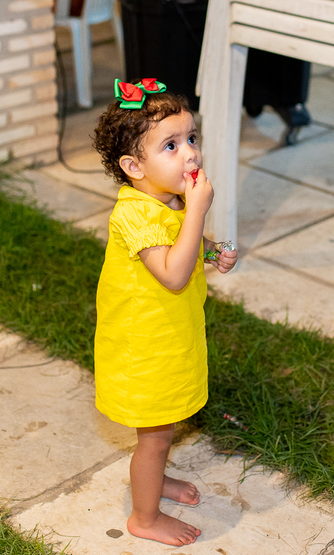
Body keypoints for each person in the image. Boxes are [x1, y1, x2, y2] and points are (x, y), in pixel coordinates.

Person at [91, 84, 237, 545]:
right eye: (171, 146)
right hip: (143, 348)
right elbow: (173, 273)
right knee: (153, 436)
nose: (190, 155)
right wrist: (198, 210)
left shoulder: (168, 200)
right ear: (134, 168)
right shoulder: (134, 215)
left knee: (165, 424)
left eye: (192, 139)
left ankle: (155, 481)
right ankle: (144, 517)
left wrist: (214, 252)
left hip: (170, 335)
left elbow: (185, 243)